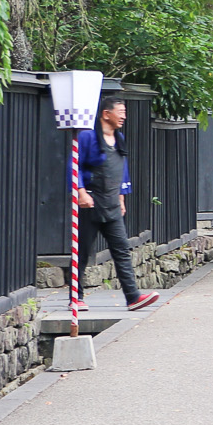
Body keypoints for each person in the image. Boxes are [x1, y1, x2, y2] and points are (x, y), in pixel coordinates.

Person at [74, 98, 159, 311]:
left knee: (121, 250)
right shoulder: (87, 137)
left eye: (124, 111)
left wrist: (122, 197)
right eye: (120, 111)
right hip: (90, 203)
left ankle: (133, 297)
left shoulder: (118, 138)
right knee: (82, 252)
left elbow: (122, 170)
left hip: (112, 203)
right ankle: (76, 297)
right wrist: (81, 192)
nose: (123, 116)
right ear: (105, 114)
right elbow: (73, 165)